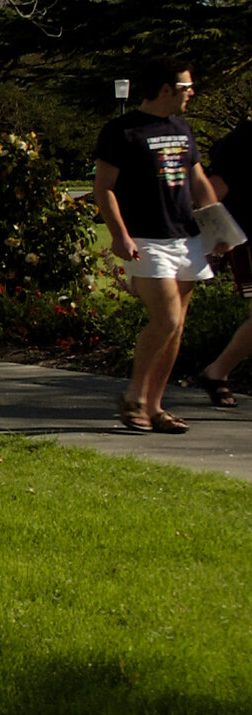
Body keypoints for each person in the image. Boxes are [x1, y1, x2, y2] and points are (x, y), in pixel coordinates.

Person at [96, 58, 219, 433]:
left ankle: (154, 407)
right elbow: (105, 188)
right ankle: (133, 396)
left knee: (176, 326)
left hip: (186, 239)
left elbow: (198, 184)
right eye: (185, 87)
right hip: (146, 239)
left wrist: (219, 230)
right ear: (165, 89)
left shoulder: (182, 129)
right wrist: (119, 234)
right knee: (166, 318)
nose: (191, 93)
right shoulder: (122, 131)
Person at [189, 115, 252, 406]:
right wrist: (208, 238)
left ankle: (217, 372)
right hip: (246, 240)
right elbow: (213, 193)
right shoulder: (241, 141)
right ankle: (217, 371)